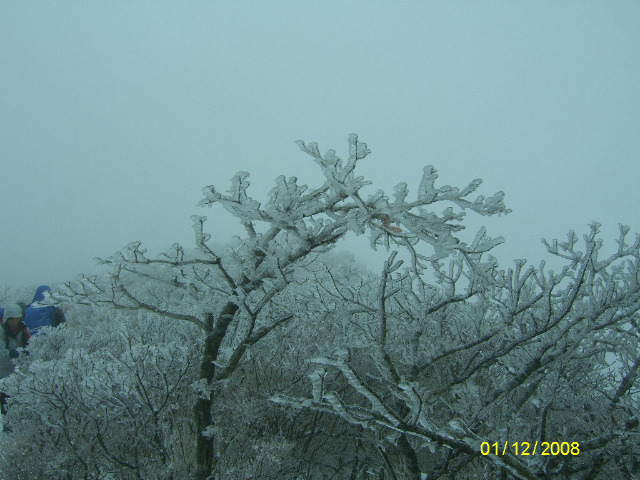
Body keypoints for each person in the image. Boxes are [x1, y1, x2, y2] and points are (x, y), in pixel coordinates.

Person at [1, 303, 30, 416]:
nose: (15, 322)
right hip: (2, 373)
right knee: (6, 402)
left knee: (17, 400)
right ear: (6, 319)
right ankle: (9, 428)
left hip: (15, 372)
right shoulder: (1, 331)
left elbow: (29, 343)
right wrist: (11, 354)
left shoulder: (23, 329)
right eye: (12, 319)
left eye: (17, 319)